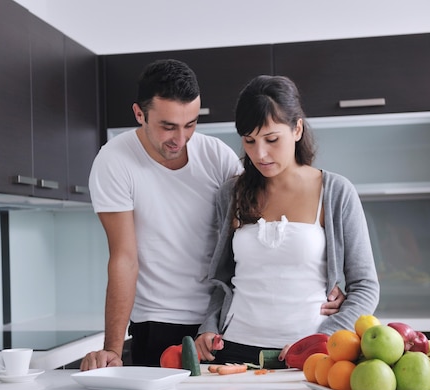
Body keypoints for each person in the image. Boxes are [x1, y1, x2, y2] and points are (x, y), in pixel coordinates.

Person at [81, 60, 346, 370]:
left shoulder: (216, 155)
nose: (180, 139)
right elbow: (124, 258)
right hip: (158, 320)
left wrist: (332, 283)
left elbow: (261, 228)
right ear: (140, 114)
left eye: (190, 124)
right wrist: (112, 349)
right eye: (168, 126)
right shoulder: (115, 161)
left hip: (221, 328)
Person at [194, 75, 380, 366]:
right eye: (249, 141)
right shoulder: (231, 193)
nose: (260, 154)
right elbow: (223, 281)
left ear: (297, 129)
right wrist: (208, 327)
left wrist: (326, 336)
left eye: (271, 139)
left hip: (309, 355)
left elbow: (366, 286)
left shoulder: (335, 191)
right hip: (231, 351)